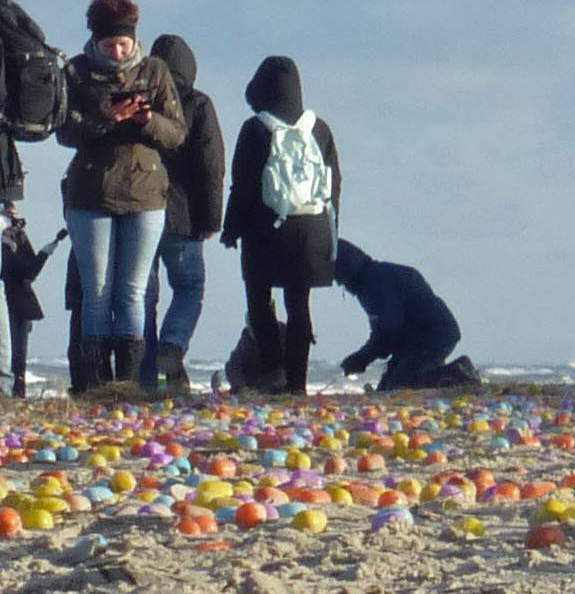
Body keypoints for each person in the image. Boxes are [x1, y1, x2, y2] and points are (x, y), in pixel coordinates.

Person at [57, 0, 186, 389]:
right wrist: (102, 117)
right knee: (96, 291)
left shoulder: (155, 71)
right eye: (109, 44)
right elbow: (63, 131)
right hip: (90, 194)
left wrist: (147, 120)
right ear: (95, 42)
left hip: (145, 193)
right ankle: (97, 384)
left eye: (123, 44)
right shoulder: (76, 73)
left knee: (131, 291)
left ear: (134, 40)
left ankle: (128, 383)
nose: (116, 52)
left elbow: (177, 133)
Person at [219, 55, 340, 398]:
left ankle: (273, 372)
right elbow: (335, 185)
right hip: (312, 229)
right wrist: (330, 234)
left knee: (260, 300)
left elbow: (242, 186)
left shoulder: (256, 128)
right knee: (299, 305)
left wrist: (232, 230)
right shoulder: (319, 128)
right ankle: (298, 384)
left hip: (267, 228)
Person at [139, 34, 225, 394]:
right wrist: (210, 219)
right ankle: (171, 352)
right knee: (189, 288)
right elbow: (211, 167)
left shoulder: (141, 101)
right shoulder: (198, 104)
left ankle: (148, 373)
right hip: (184, 217)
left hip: (141, 209)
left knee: (144, 294)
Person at [333, 239, 470, 389]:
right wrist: (364, 357)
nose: (339, 284)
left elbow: (388, 329)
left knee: (401, 386)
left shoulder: (374, 285)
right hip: (415, 338)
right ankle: (449, 374)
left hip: (433, 335)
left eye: (337, 278)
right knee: (387, 388)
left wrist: (362, 358)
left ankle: (460, 374)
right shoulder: (376, 276)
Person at [2, 213, 61, 400]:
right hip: (14, 300)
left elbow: (29, 271)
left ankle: (15, 395)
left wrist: (46, 250)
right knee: (13, 353)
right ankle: (12, 393)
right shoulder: (11, 234)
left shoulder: (16, 234)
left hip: (18, 303)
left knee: (18, 356)